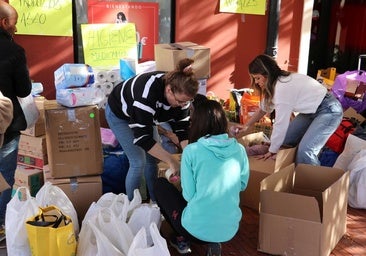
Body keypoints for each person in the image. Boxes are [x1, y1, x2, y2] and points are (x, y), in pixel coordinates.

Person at [154, 99, 250, 256]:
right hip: (229, 229)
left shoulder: (191, 151)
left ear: (196, 122)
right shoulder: (239, 149)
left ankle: (181, 239)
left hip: (194, 230)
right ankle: (214, 240)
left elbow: (189, 195)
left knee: (159, 185)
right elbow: (242, 184)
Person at [105, 58, 199, 202]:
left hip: (147, 115)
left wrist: (188, 155)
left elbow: (182, 129)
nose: (182, 106)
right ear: (169, 90)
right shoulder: (146, 95)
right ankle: (131, 209)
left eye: (186, 102)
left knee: (152, 160)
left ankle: (155, 203)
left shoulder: (182, 95)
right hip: (119, 114)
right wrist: (171, 161)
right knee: (138, 162)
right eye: (180, 102)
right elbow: (143, 139)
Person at [232, 54, 343, 165]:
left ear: (268, 74)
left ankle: (313, 181)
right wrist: (246, 125)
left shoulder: (282, 88)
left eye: (258, 78)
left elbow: (281, 123)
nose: (256, 82)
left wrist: (272, 151)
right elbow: (262, 109)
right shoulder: (276, 83)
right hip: (311, 110)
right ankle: (293, 172)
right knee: (283, 142)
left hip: (329, 109)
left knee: (305, 151)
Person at [0, 0, 32, 239]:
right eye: (14, 24)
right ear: (3, 23)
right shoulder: (13, 50)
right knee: (5, 174)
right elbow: (23, 90)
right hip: (5, 125)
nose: (16, 29)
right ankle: (2, 223)